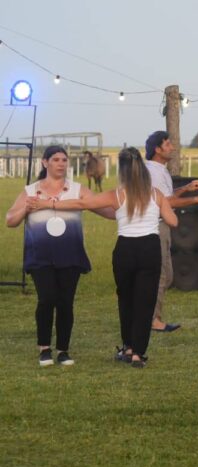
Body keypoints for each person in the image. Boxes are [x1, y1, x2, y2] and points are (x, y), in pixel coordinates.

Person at [36, 147, 179, 368]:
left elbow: (82, 203)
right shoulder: (156, 194)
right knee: (145, 301)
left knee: (126, 299)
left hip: (125, 249)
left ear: (121, 170)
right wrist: (156, 211)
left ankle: (128, 346)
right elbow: (173, 222)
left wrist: (49, 203)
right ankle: (138, 354)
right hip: (149, 248)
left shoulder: (116, 194)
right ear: (142, 168)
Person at [6, 145, 114, 367]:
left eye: (64, 160)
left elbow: (106, 210)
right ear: (45, 163)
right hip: (40, 256)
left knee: (65, 302)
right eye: (56, 159)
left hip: (70, 255)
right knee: (47, 299)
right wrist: (25, 209)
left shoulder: (77, 190)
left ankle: (63, 350)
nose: (61, 163)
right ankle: (44, 348)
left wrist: (132, 210)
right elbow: (10, 220)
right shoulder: (30, 191)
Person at [144, 131, 198, 333]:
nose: (172, 147)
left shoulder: (160, 170)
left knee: (166, 276)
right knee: (161, 275)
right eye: (167, 144)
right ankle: (152, 320)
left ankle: (149, 316)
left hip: (162, 227)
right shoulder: (154, 172)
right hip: (156, 226)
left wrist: (186, 188)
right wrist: (196, 200)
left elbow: (166, 196)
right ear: (157, 149)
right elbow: (165, 203)